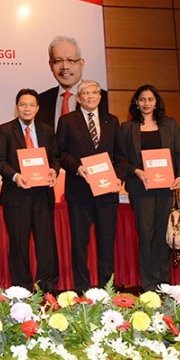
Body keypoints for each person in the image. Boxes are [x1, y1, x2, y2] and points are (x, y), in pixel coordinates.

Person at [55, 80, 126, 294]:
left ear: (100, 96)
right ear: (78, 98)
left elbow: (121, 157)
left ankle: (107, 288)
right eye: (85, 93)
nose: (91, 96)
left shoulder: (112, 121)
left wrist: (118, 178)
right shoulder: (67, 121)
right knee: (80, 243)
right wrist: (77, 168)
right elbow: (59, 153)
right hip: (80, 191)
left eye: (94, 92)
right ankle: (82, 289)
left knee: (106, 242)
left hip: (106, 192)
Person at [0, 88, 61, 293]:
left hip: (42, 195)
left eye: (31, 105)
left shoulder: (47, 130)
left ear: (38, 108)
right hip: (16, 195)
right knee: (19, 245)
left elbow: (56, 157)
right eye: (23, 104)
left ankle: (47, 288)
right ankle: (21, 289)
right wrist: (15, 176)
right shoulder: (5, 130)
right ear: (17, 107)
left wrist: (53, 170)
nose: (27, 108)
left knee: (46, 245)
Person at [119, 85, 180, 292]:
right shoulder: (127, 127)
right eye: (142, 99)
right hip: (141, 188)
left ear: (157, 102)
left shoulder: (169, 125)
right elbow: (122, 160)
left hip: (166, 187)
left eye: (150, 99)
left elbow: (179, 155)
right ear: (136, 103)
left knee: (162, 234)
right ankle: (149, 283)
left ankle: (163, 281)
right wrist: (136, 171)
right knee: (146, 233)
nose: (146, 103)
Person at [36, 35, 109, 132]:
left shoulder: (104, 98)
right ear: (50, 65)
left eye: (70, 60)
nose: (65, 66)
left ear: (81, 64)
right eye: (58, 61)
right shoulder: (41, 101)